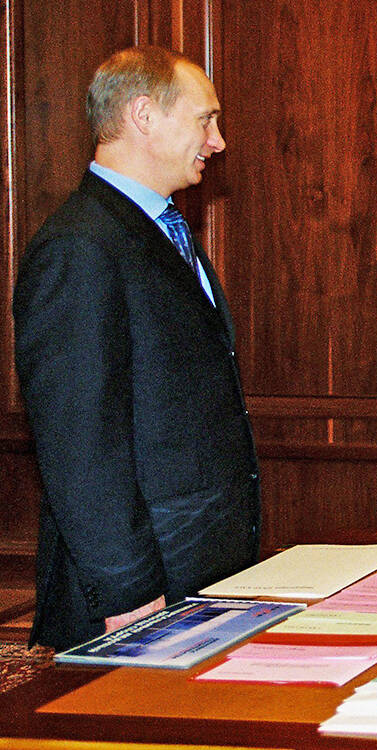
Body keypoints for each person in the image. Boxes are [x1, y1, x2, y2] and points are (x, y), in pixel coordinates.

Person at [12, 46, 260, 650]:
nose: (218, 141)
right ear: (144, 115)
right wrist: (126, 591)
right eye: (205, 119)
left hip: (197, 573)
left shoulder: (161, 228)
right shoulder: (79, 246)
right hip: (141, 592)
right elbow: (79, 441)